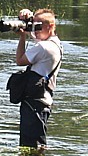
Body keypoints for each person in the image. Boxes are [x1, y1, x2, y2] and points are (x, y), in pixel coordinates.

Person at [14, 8, 63, 148]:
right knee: (37, 146)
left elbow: (20, 60)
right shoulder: (55, 43)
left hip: (34, 104)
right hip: (42, 102)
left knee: (32, 146)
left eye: (39, 26)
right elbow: (38, 36)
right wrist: (28, 19)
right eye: (34, 26)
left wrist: (22, 37)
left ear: (51, 26)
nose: (35, 30)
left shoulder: (43, 47)